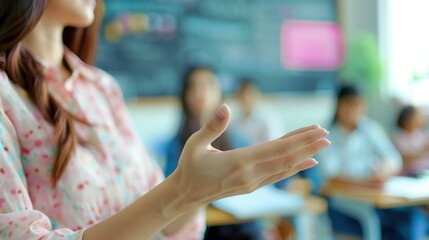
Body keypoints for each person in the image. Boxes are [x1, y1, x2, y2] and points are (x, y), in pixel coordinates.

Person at [0, 1, 331, 239]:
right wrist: (182, 191)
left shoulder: (103, 89)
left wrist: (197, 192)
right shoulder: (6, 94)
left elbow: (169, 224)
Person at [165, 66, 264, 240]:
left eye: (209, 85)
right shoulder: (176, 145)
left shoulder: (237, 139)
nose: (201, 93)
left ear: (220, 92)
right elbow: (171, 188)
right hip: (202, 225)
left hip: (239, 221)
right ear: (185, 96)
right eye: (194, 87)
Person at [318, 85, 427, 240]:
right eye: (348, 104)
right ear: (338, 105)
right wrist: (364, 182)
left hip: (374, 199)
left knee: (412, 218)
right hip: (343, 206)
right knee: (392, 226)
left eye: (358, 104)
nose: (353, 110)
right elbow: (331, 175)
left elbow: (393, 158)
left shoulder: (370, 129)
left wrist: (385, 169)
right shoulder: (326, 135)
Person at [229, 79, 278, 148]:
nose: (246, 98)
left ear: (257, 95)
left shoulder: (268, 120)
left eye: (250, 93)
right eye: (242, 94)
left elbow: (273, 146)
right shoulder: (233, 125)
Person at [393, 105, 429, 176]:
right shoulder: (400, 138)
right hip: (409, 175)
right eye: (417, 116)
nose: (421, 119)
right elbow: (404, 159)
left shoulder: (421, 135)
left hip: (425, 172)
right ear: (408, 119)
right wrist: (424, 150)